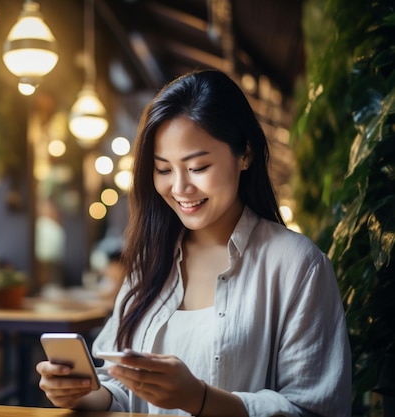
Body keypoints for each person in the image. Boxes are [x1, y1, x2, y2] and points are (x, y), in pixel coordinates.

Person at [35, 70, 351, 416]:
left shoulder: (297, 265)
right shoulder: (151, 260)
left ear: (244, 153)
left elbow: (314, 409)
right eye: (164, 170)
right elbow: (122, 389)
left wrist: (198, 399)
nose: (180, 188)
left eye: (198, 167)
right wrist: (80, 392)